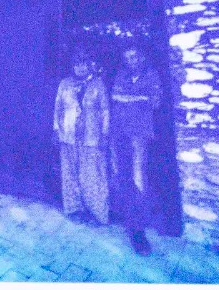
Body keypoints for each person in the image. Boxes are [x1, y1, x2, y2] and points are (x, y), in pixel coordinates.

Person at [108, 43, 166, 253]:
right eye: (127, 58)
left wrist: (129, 98)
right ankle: (125, 216)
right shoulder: (121, 75)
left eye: (134, 57)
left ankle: (138, 230)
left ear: (141, 57)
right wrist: (139, 98)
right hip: (118, 132)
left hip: (139, 134)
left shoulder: (151, 75)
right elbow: (115, 96)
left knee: (138, 178)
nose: (130, 61)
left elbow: (155, 102)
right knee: (119, 175)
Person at [53, 52, 110, 225]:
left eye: (84, 63)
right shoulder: (65, 84)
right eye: (77, 64)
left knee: (92, 175)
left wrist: (104, 134)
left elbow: (105, 110)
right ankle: (74, 209)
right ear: (72, 66)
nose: (80, 67)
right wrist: (56, 130)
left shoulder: (98, 84)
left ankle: (98, 213)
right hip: (68, 135)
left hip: (91, 137)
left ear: (90, 65)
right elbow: (58, 108)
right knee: (69, 173)